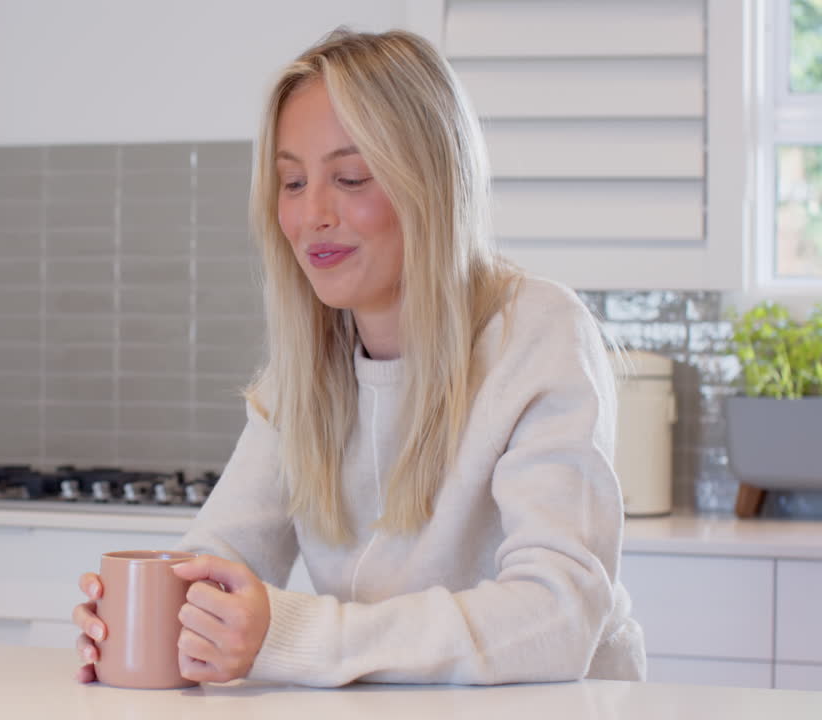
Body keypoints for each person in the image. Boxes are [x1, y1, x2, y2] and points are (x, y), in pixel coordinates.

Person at [71, 28, 645, 687]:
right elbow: (218, 560)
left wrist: (286, 634)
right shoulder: (306, 372)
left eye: (349, 177)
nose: (311, 213)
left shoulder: (537, 334)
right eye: (291, 182)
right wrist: (157, 620)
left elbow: (558, 617)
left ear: (430, 182)